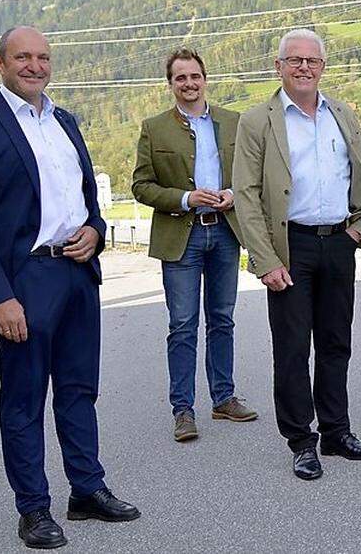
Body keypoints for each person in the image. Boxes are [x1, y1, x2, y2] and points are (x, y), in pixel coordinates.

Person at [0, 26, 139, 549]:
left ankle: (87, 490)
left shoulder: (65, 122)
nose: (35, 65)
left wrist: (97, 231)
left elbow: (87, 201)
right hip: (25, 280)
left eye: (43, 57)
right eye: (23, 57)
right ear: (0, 63)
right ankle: (33, 508)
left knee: (79, 391)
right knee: (25, 399)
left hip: (78, 273)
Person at [233, 29, 361, 481]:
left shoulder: (341, 113)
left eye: (311, 61)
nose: (303, 68)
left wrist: (360, 228)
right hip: (289, 247)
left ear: (322, 67)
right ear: (278, 67)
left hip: (338, 242)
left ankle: (336, 430)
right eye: (293, 60)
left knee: (336, 343)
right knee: (293, 349)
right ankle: (301, 440)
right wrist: (265, 260)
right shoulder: (258, 121)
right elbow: (246, 195)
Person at [131, 48, 256, 443]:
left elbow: (251, 173)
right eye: (180, 78)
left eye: (195, 76)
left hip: (224, 232)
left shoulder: (233, 122)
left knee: (223, 319)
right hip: (180, 235)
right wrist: (186, 199)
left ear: (205, 79)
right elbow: (141, 185)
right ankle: (183, 410)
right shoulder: (154, 128)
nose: (189, 83)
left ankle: (223, 398)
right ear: (170, 84)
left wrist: (234, 194)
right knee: (182, 325)